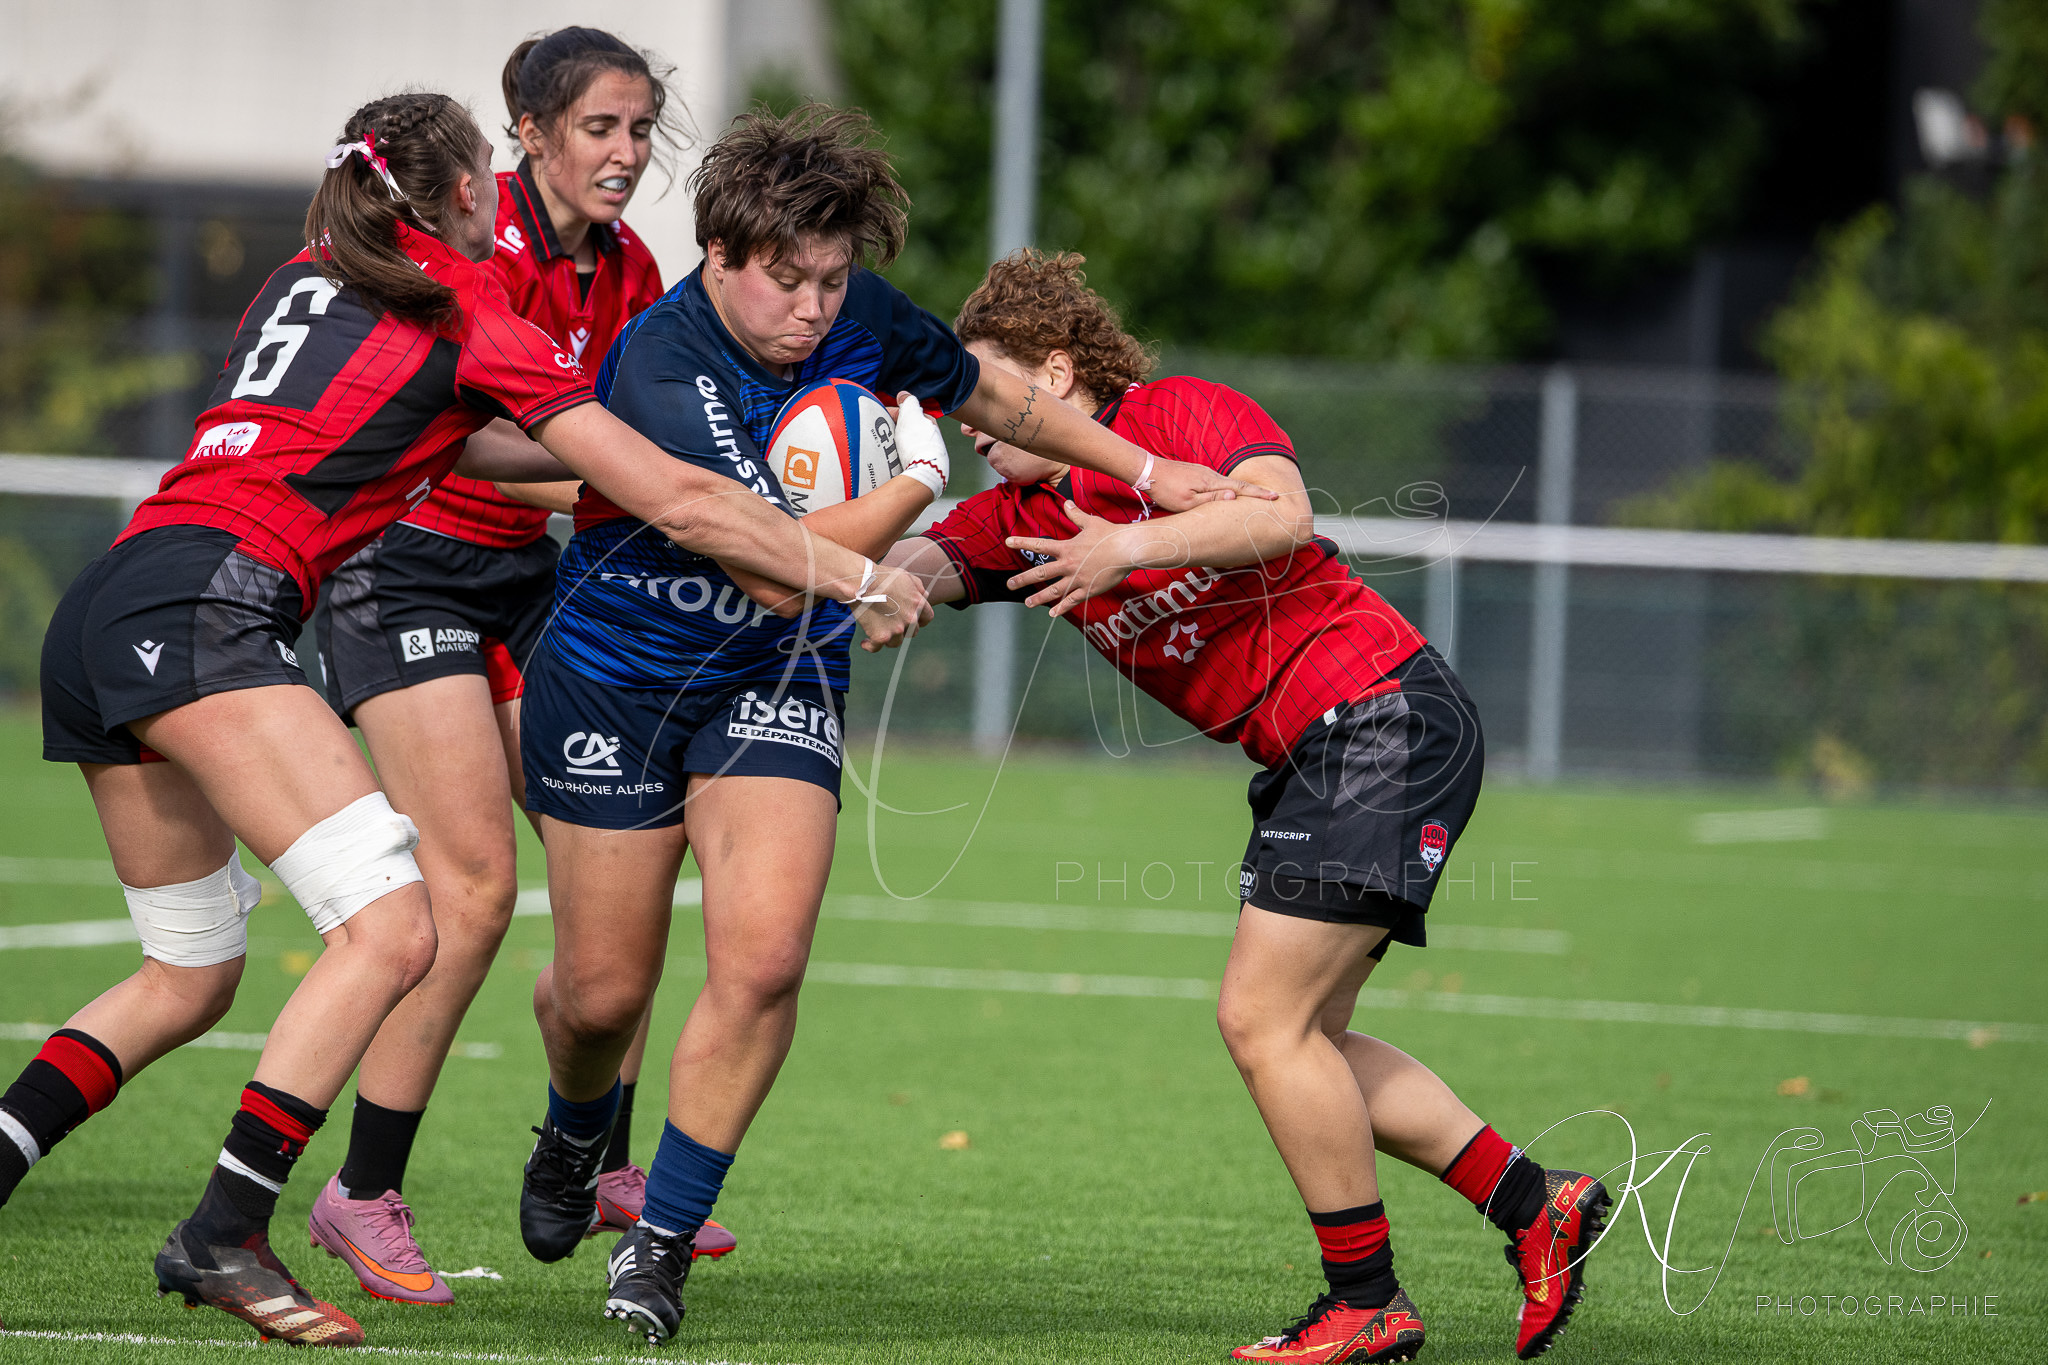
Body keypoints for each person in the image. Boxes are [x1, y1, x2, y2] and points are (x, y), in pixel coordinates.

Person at [0, 92, 927, 1349]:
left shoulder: (306, 273)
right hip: (215, 604)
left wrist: (626, 483)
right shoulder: (472, 305)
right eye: (487, 178)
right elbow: (673, 495)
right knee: (397, 924)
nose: (501, 204)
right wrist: (865, 571)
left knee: (190, 973)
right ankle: (227, 1227)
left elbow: (473, 449)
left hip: (110, 601)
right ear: (455, 198)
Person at [515, 103, 1271, 1346]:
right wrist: (914, 494)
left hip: (774, 677)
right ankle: (572, 1130)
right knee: (600, 997)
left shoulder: (860, 316)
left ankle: (655, 1247)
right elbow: (767, 560)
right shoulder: (661, 365)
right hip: (618, 675)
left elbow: (999, 397)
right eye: (788, 281)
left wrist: (1145, 474)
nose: (815, 307)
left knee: (762, 958)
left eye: (832, 278)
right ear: (720, 257)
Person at [887, 250, 1610, 1363]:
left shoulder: (1181, 411)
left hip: (1377, 713)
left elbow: (1278, 516)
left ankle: (1364, 1300)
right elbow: (911, 566)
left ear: (1060, 374)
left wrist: (1125, 542)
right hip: (1321, 750)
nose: (976, 422)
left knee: (1259, 1021)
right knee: (1304, 1037)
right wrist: (852, 569)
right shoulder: (1014, 514)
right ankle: (1532, 1207)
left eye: (992, 393)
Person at [303, 30, 726, 1310]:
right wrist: (636, 481)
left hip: (544, 578)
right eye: (600, 127)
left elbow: (629, 423)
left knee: (633, 850)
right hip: (410, 565)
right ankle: (359, 1190)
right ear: (528, 134)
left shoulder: (635, 266)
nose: (627, 153)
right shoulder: (466, 256)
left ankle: (593, 1151)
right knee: (473, 889)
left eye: (642, 128)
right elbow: (473, 441)